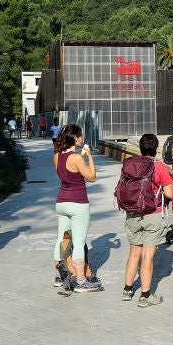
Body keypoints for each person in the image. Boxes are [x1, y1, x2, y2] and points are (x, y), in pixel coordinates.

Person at [122, 134, 173, 307]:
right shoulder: (159, 166)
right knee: (147, 256)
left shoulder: (131, 164)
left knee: (134, 253)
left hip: (132, 213)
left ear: (141, 148)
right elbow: (169, 194)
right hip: (152, 213)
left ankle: (127, 290)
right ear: (156, 148)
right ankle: (145, 296)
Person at [53, 124, 101, 293]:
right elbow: (92, 177)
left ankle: (59, 276)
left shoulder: (57, 156)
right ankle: (81, 281)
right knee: (78, 241)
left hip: (61, 201)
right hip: (78, 202)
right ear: (75, 138)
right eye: (80, 136)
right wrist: (89, 156)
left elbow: (65, 176)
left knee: (61, 238)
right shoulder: (77, 158)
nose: (82, 138)